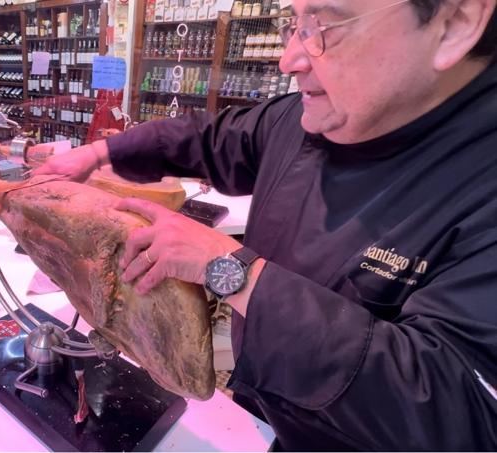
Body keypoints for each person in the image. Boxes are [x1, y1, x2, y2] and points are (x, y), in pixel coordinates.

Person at [34, 0, 497, 449]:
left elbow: (458, 411)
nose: (288, 58)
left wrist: (230, 268)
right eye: (294, 24)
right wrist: (99, 154)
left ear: (455, 23)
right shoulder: (305, 117)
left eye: (325, 24)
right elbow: (203, 137)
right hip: (262, 409)